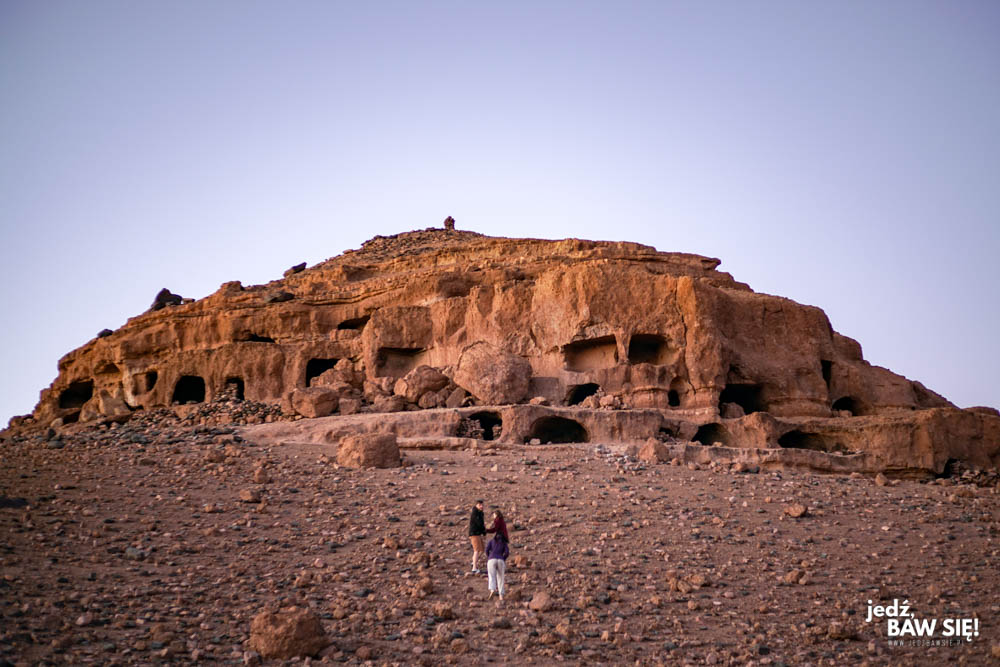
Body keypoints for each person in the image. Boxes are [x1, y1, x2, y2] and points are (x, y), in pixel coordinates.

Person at [485, 530, 509, 600]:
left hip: (491, 559)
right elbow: (507, 552)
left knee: (491, 575)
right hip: (500, 560)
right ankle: (501, 595)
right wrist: (503, 558)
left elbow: (486, 550)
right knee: (501, 577)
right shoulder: (504, 543)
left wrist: (489, 556)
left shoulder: (491, 541)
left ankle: (492, 589)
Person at [468, 499, 486, 573]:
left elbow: (481, 524)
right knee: (476, 550)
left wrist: (483, 532)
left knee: (482, 550)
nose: (481, 506)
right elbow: (479, 524)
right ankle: (474, 568)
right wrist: (484, 531)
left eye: (482, 505)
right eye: (479, 505)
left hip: (478, 534)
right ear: (476, 505)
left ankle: (473, 562)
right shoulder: (475, 513)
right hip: (474, 534)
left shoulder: (480, 513)